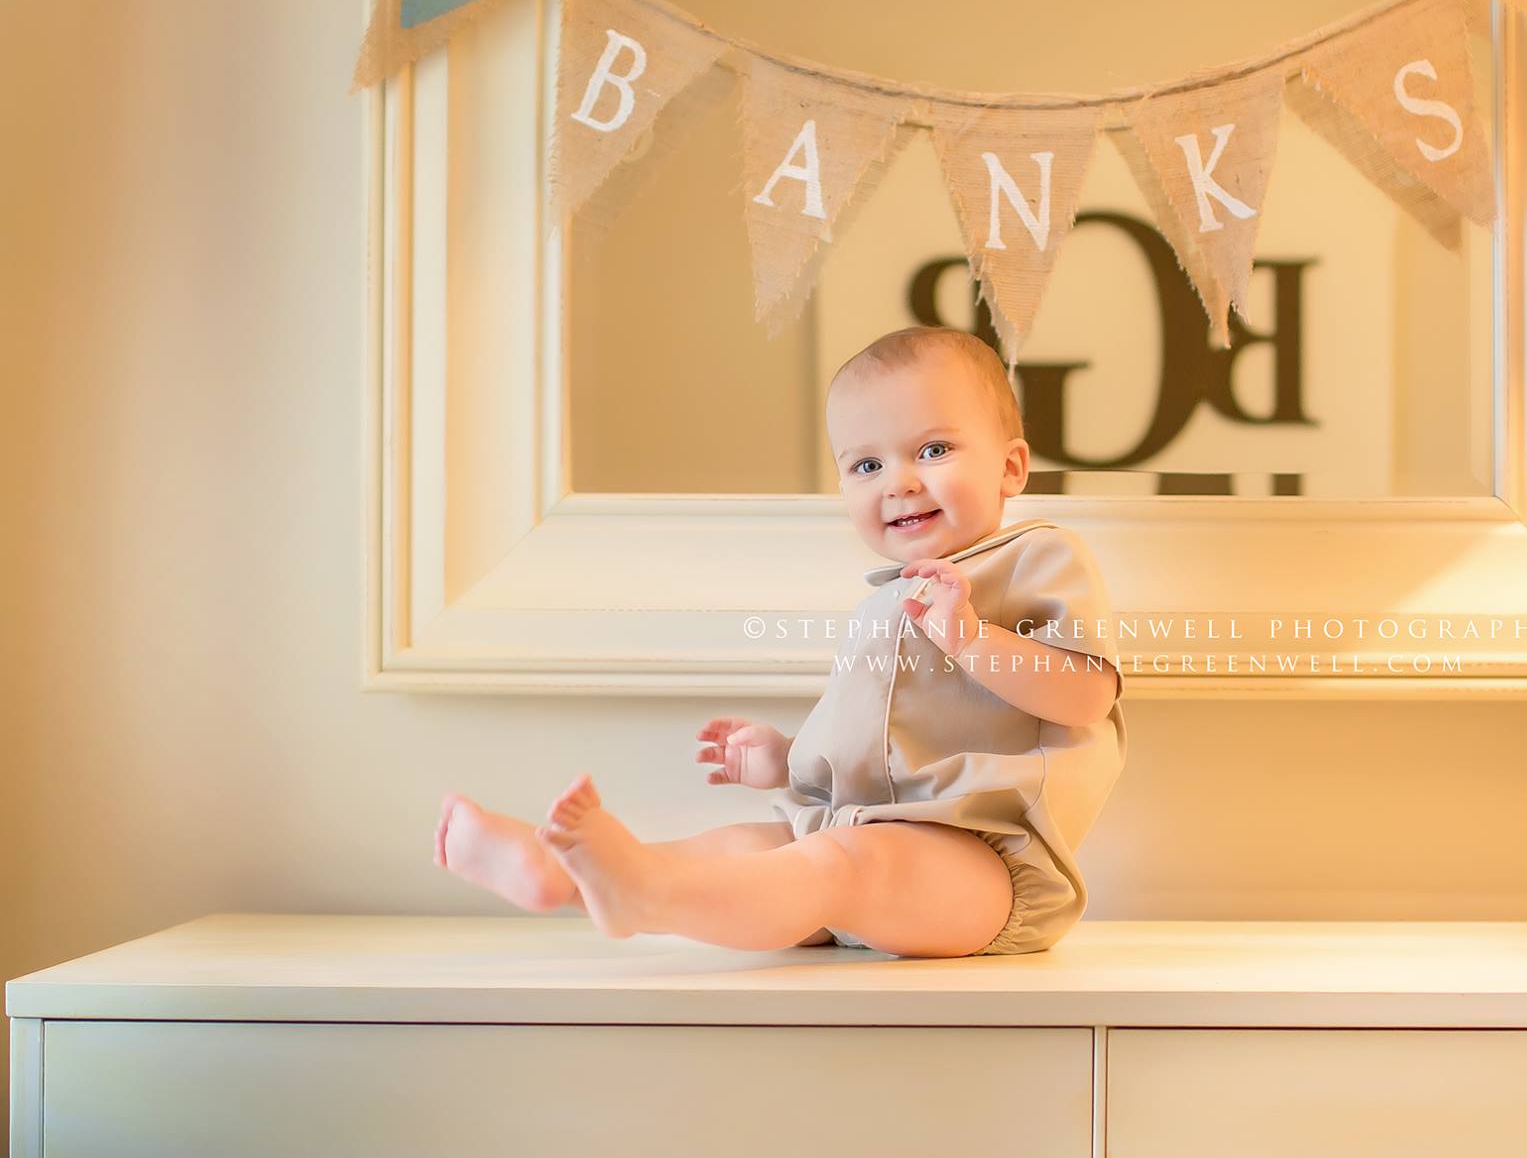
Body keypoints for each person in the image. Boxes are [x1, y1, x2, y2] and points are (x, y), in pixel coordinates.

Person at [432, 325, 1127, 957]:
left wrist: (972, 640)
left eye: (933, 449)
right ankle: (560, 874)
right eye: (866, 466)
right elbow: (882, 745)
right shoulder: (888, 600)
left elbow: (1087, 695)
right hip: (852, 828)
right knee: (740, 846)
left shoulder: (1035, 558)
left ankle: (642, 898)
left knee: (842, 864)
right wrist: (792, 758)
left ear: (1010, 468)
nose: (900, 482)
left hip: (982, 868)